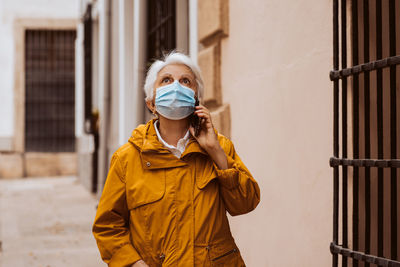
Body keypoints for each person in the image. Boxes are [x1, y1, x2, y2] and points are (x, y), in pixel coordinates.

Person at [92, 52, 260, 267]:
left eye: (185, 81)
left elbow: (245, 204)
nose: (176, 87)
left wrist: (216, 153)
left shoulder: (220, 147)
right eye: (166, 80)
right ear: (151, 103)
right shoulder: (127, 158)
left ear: (196, 98)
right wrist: (133, 263)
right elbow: (107, 226)